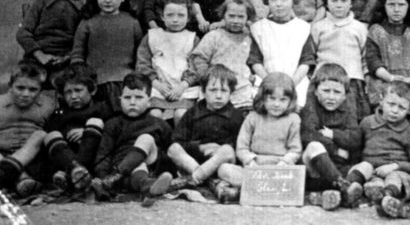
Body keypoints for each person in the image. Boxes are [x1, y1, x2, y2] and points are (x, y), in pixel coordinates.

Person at [345, 82, 410, 219]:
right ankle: (352, 189)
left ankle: (387, 199)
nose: (395, 110)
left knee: (393, 177)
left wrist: (395, 166)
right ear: (381, 100)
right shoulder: (367, 123)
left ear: (409, 109)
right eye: (391, 104)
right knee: (365, 167)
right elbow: (356, 149)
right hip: (372, 174)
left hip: (397, 175)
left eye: (401, 107)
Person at [167, 64, 244, 203]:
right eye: (213, 90)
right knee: (173, 149)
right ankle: (208, 181)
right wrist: (200, 147)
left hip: (220, 163)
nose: (218, 95)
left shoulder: (236, 116)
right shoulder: (193, 113)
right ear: (203, 91)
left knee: (227, 150)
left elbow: (240, 146)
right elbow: (178, 140)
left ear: (231, 93)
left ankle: (193, 179)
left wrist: (220, 149)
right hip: (195, 162)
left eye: (224, 91)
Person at [91, 73, 173, 201]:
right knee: (138, 167)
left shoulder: (158, 123)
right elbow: (103, 155)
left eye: (139, 97)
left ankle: (121, 179)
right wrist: (102, 176)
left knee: (146, 139)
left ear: (149, 102)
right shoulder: (113, 124)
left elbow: (171, 151)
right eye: (127, 97)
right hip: (125, 177)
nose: (132, 102)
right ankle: (147, 189)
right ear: (120, 100)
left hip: (147, 169)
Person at [218, 72, 302, 193]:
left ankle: (252, 189)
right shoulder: (253, 117)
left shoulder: (293, 119)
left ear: (291, 101)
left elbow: (295, 150)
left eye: (283, 100)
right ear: (263, 98)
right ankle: (265, 188)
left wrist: (284, 163)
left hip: (279, 169)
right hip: (254, 167)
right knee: (223, 169)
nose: (277, 104)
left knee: (295, 176)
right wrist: (250, 162)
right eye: (272, 98)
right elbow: (242, 148)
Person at [71, 0, 143, 114]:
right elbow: (77, 54)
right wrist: (84, 79)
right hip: (95, 84)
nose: (108, 0)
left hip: (126, 84)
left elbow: (140, 54)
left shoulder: (132, 22)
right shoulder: (88, 22)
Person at [300, 64, 363, 210]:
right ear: (316, 91)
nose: (331, 96)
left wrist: (333, 134)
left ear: (345, 95)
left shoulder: (348, 110)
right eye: (326, 90)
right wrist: (336, 150)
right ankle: (344, 188)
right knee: (314, 146)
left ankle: (334, 193)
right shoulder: (310, 107)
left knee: (366, 166)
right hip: (316, 170)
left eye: (336, 92)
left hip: (341, 168)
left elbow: (356, 138)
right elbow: (309, 135)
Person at [247, 0, 315, 107]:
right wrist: (269, 82)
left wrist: (291, 83)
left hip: (295, 82)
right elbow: (255, 60)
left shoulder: (302, 28)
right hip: (265, 80)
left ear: (293, 0)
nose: (278, 4)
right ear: (267, 1)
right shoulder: (259, 28)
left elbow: (306, 60)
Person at [16, 0, 82, 85]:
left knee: (67, 86)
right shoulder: (40, 4)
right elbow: (23, 33)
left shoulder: (83, 8)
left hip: (67, 61)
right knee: (26, 85)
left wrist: (68, 57)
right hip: (36, 59)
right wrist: (40, 55)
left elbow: (84, 40)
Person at [44, 63, 113, 192]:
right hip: (67, 155)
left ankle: (73, 174)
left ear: (92, 90)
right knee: (51, 135)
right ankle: (76, 171)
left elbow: (112, 129)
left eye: (78, 90)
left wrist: (86, 133)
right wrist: (66, 135)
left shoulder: (102, 108)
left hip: (94, 156)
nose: (73, 96)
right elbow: (52, 132)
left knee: (95, 122)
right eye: (68, 92)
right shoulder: (61, 113)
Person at [136, 0, 200, 125]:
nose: (175, 20)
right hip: (158, 88)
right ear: (162, 16)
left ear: (188, 17)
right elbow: (142, 65)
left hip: (183, 89)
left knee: (181, 114)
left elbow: (196, 67)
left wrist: (183, 86)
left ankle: (180, 142)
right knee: (155, 115)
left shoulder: (192, 39)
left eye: (181, 15)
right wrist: (156, 84)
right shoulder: (152, 37)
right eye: (170, 15)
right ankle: (157, 143)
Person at [311, 0, 370, 121]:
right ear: (326, 3)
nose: (339, 5)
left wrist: (367, 79)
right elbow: (312, 53)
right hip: (324, 79)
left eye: (344, 0)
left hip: (352, 80)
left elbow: (365, 56)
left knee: (350, 118)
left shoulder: (359, 28)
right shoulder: (318, 27)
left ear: (351, 3)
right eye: (334, 0)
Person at [189, 0, 256, 110]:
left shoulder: (249, 38)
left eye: (241, 17)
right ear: (223, 16)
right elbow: (199, 58)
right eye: (231, 16)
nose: (235, 21)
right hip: (216, 86)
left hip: (241, 88)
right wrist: (207, 78)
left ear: (247, 18)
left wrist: (251, 76)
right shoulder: (214, 36)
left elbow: (253, 61)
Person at [365, 0, 410, 108]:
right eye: (391, 5)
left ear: (409, 6)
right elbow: (373, 60)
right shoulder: (376, 31)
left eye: (401, 5)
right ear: (384, 6)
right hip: (384, 81)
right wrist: (390, 77)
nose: (396, 9)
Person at [0, 63, 54, 197]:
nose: (25, 94)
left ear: (41, 90)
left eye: (33, 89)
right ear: (10, 86)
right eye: (20, 88)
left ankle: (10, 175)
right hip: (2, 154)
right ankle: (20, 177)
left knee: (40, 135)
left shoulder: (49, 105)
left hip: (33, 158)